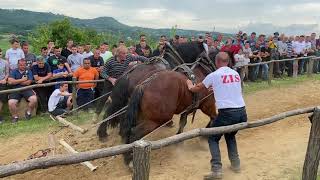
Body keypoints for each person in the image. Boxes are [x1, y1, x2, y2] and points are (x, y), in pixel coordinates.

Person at [186, 52, 247, 179]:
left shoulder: (214, 75)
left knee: (213, 138)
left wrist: (190, 85)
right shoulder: (235, 73)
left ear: (217, 62)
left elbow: (197, 88)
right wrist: (217, 88)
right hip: (242, 112)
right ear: (228, 62)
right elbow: (233, 88)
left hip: (227, 114)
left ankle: (216, 170)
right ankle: (236, 164)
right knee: (230, 136)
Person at [93, 46, 147, 121]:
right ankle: (96, 114)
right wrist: (110, 79)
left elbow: (140, 58)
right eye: (124, 53)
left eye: (126, 53)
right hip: (110, 81)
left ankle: (122, 116)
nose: (126, 55)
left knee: (124, 97)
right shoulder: (110, 61)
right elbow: (102, 72)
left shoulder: (128, 57)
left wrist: (150, 60)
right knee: (104, 97)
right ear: (118, 54)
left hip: (121, 81)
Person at [0, 48, 9, 123]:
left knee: (2, 100)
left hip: (2, 83)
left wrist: (5, 79)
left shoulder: (5, 62)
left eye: (0, 54)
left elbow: (7, 73)